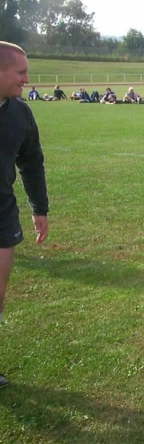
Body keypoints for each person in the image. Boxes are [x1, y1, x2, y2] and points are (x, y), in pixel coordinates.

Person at [0, 42, 50, 389]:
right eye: (20, 72)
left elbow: (31, 163)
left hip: (1, 210)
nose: (26, 79)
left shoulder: (20, 113)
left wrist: (39, 208)